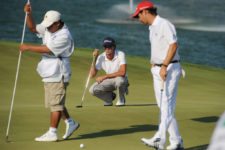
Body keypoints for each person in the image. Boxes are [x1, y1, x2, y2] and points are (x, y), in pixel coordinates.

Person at [19, 3, 79, 142]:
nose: (47, 27)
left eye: (50, 25)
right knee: (55, 102)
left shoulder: (64, 35)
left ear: (57, 23)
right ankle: (70, 123)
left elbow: (48, 49)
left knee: (56, 104)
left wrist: (28, 47)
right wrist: (28, 14)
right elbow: (33, 28)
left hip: (59, 72)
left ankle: (52, 132)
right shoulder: (49, 28)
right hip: (49, 71)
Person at [132, 1, 183, 150]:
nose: (138, 18)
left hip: (168, 69)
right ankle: (176, 141)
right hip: (159, 68)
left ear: (146, 12)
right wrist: (154, 63)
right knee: (164, 106)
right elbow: (161, 47)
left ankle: (159, 139)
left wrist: (165, 65)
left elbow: (174, 45)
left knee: (166, 106)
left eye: (138, 15)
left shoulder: (164, 24)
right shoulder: (152, 27)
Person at [89, 37, 129, 106]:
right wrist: (94, 59)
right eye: (105, 47)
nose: (107, 49)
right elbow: (92, 75)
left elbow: (122, 72)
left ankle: (121, 100)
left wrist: (105, 76)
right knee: (92, 90)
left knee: (120, 81)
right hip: (110, 80)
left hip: (121, 79)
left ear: (114, 47)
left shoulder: (120, 54)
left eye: (109, 47)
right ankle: (109, 98)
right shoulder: (101, 57)